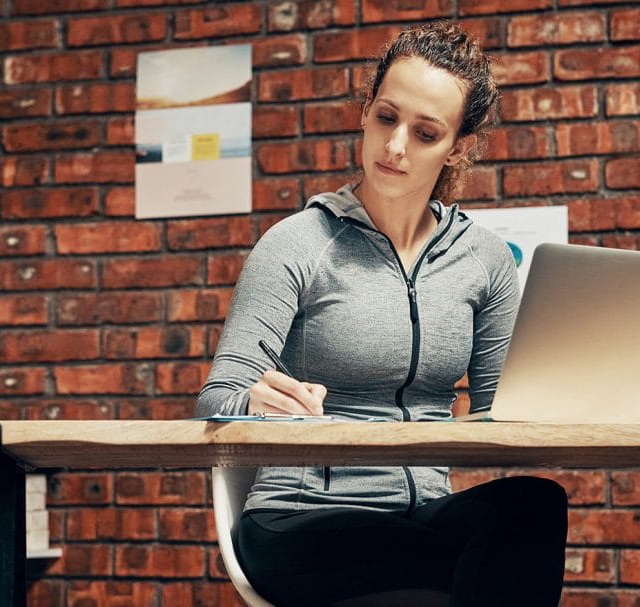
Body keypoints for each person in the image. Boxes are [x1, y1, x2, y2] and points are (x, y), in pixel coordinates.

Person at [196, 21, 567, 607]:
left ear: (458, 148)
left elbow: (503, 417)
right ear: (366, 110)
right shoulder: (296, 243)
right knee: (482, 564)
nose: (395, 147)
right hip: (299, 520)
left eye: (425, 133)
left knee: (534, 506)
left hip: (420, 513)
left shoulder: (485, 261)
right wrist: (254, 402)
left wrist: (569, 397)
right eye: (387, 118)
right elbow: (216, 399)